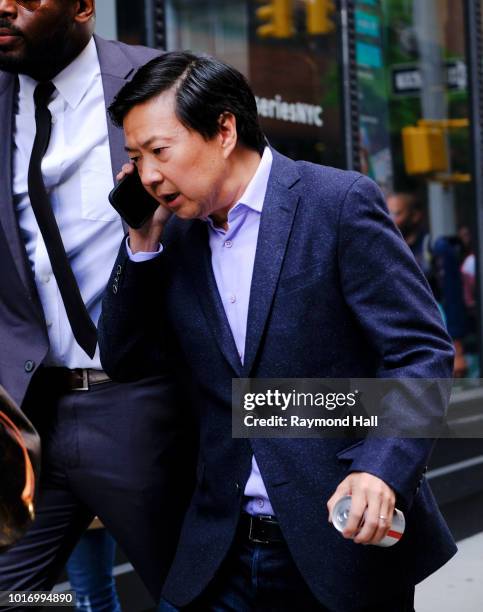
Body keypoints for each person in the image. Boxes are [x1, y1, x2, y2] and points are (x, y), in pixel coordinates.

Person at [99, 51, 457, 612]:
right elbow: (126, 360)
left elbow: (420, 352)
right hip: (216, 553)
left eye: (159, 152)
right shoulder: (176, 237)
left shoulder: (337, 203)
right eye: (135, 158)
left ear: (223, 129)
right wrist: (142, 245)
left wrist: (380, 469)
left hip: (338, 546)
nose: (147, 175)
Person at [0, 1, 194, 607]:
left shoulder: (164, 82)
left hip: (141, 404)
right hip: (27, 412)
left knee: (189, 592)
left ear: (84, 7)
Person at [387, 192, 468, 377]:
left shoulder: (435, 248)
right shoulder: (390, 249)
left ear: (415, 216)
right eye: (387, 213)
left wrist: (457, 348)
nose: (390, 219)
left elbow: (452, 297)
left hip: (435, 341)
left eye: (397, 213)